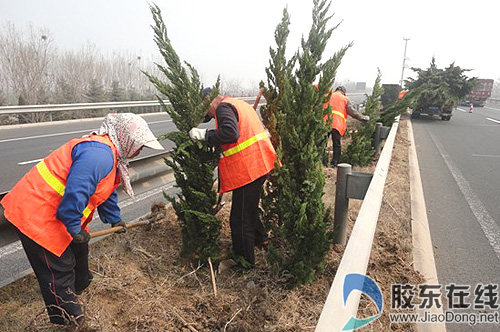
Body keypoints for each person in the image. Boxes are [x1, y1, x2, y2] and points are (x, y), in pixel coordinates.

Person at [0, 113, 164, 326]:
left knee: (80, 252)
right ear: (126, 138)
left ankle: (79, 294)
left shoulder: (110, 155)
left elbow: (104, 189)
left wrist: (114, 219)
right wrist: (74, 227)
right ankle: (71, 321)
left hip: (54, 212)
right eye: (139, 144)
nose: (140, 150)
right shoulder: (99, 154)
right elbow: (77, 191)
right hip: (36, 214)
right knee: (59, 271)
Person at [188, 88, 276, 268]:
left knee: (239, 220)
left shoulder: (223, 108)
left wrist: (205, 135)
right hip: (259, 162)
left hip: (249, 168)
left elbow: (231, 133)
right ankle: (261, 239)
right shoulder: (237, 103)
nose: (211, 117)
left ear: (208, 101)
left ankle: (244, 263)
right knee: (248, 208)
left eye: (208, 113)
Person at [324, 86, 370, 167]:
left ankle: (321, 162)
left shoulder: (328, 95)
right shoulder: (345, 99)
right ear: (344, 92)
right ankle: (335, 163)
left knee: (322, 143)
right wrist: (363, 118)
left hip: (325, 122)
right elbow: (353, 112)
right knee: (336, 144)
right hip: (337, 124)